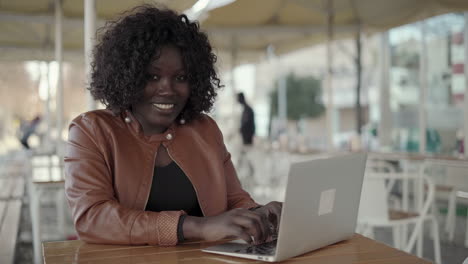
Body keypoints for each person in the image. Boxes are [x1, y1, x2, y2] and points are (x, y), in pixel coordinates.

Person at [64, 5, 281, 247]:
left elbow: (235, 200)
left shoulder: (205, 129)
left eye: (181, 78)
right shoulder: (91, 131)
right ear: (128, 77)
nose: (167, 89)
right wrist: (196, 227)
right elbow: (91, 218)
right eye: (152, 76)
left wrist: (261, 214)